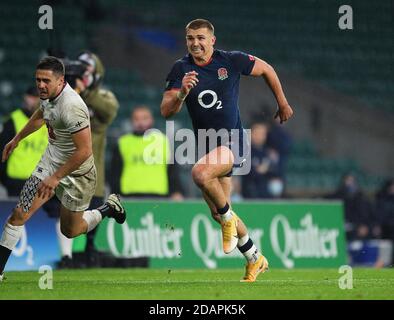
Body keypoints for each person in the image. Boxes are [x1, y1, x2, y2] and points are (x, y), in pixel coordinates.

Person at [160, 19, 293, 282]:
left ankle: (229, 219)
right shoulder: (180, 69)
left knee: (199, 174)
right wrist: (182, 93)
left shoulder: (231, 61)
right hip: (206, 145)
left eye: (200, 38)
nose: (195, 43)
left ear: (212, 40)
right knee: (218, 212)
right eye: (190, 38)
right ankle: (255, 258)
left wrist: (282, 102)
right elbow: (166, 111)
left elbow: (267, 69)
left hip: (233, 142)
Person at [0, 56, 126, 281]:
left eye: (46, 81)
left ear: (60, 81)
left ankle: (109, 208)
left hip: (79, 173)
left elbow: (84, 151)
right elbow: (41, 114)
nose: (40, 85)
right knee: (19, 214)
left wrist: (56, 178)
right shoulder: (48, 96)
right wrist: (17, 138)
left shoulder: (73, 106)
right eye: (38, 80)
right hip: (48, 164)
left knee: (71, 230)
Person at [73, 51, 120, 266]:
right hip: (66, 162)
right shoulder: (68, 96)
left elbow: (110, 111)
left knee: (93, 204)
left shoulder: (105, 97)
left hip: (92, 164)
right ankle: (66, 253)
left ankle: (89, 247)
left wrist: (86, 92)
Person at [110, 105, 184, 199]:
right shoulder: (122, 142)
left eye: (144, 118)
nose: (140, 122)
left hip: (159, 193)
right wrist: (115, 193)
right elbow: (115, 172)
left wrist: (176, 191)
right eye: (136, 119)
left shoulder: (163, 141)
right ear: (131, 121)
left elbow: (172, 170)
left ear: (151, 120)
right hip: (129, 194)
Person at [0, 86, 47, 196]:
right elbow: (2, 151)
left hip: (40, 181)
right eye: (32, 96)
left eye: (38, 97)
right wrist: (5, 180)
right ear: (25, 98)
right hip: (16, 181)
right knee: (16, 212)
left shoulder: (49, 121)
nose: (35, 100)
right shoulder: (14, 120)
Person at [241, 122, 280, 199]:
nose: (260, 136)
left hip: (267, 195)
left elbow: (276, 172)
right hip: (249, 196)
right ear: (250, 134)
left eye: (263, 134)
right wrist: (259, 171)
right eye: (257, 133)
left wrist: (265, 169)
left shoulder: (268, 152)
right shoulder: (244, 152)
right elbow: (246, 174)